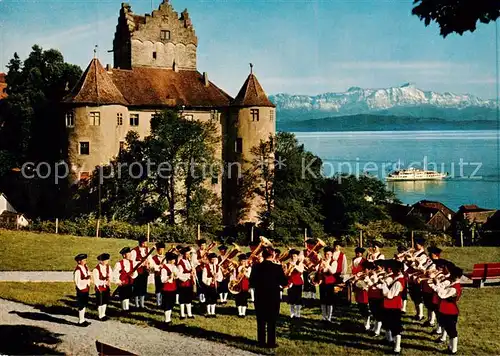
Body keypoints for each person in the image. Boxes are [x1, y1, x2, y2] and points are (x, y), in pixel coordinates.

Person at [249, 246, 288, 348]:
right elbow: (284, 282)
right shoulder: (277, 267)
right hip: (273, 296)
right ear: (273, 254)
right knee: (272, 320)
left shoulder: (256, 267)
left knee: (260, 320)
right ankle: (271, 342)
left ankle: (260, 342)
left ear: (263, 255)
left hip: (260, 296)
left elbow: (251, 283)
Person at [436, 266, 462, 355]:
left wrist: (437, 285)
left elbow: (441, 295)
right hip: (445, 310)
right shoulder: (453, 284)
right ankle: (450, 347)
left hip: (450, 311)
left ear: (456, 276)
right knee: (447, 328)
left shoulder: (454, 288)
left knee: (452, 330)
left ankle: (453, 349)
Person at [380, 260, 405, 354]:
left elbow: (389, 295)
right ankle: (388, 339)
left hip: (394, 306)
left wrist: (383, 285)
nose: (390, 270)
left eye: (393, 269)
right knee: (387, 323)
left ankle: (397, 347)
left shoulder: (399, 281)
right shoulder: (394, 277)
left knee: (395, 326)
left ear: (398, 270)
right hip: (388, 305)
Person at [113, 247, 137, 311]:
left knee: (128, 296)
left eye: (130, 254)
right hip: (123, 283)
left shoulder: (132, 263)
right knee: (124, 297)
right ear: (124, 255)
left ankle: (126, 308)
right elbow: (115, 274)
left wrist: (133, 275)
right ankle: (124, 309)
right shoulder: (119, 264)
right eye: (128, 254)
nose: (130, 255)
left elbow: (135, 273)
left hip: (129, 283)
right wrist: (118, 281)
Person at [130, 237, 151, 309]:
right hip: (137, 272)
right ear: (140, 242)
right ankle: (136, 304)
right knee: (136, 288)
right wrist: (140, 263)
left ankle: (142, 304)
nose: (145, 244)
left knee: (143, 288)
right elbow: (131, 262)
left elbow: (150, 259)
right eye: (144, 242)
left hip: (145, 272)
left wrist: (148, 264)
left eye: (146, 242)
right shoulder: (134, 251)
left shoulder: (147, 250)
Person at [202, 252, 223, 317]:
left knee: (214, 299)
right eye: (212, 259)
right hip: (208, 286)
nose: (214, 261)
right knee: (208, 299)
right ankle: (208, 312)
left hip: (215, 285)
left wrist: (217, 277)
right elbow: (204, 278)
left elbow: (221, 276)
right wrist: (211, 279)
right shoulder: (206, 267)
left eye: (215, 259)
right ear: (210, 259)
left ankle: (213, 312)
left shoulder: (217, 267)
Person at [318, 246, 336, 322]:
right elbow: (318, 271)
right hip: (322, 283)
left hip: (330, 283)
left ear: (331, 254)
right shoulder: (322, 261)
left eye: (329, 254)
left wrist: (327, 265)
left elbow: (333, 271)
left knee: (329, 301)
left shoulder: (334, 261)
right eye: (326, 254)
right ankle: (324, 316)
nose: (327, 256)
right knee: (323, 300)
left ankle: (329, 317)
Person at [285, 249, 304, 319]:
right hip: (290, 283)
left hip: (298, 283)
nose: (293, 257)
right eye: (292, 256)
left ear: (297, 256)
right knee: (291, 299)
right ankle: (292, 313)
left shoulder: (300, 263)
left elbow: (301, 270)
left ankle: (298, 313)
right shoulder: (287, 263)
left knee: (298, 299)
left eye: (295, 256)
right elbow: (286, 274)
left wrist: (294, 266)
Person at [177, 247, 195, 319]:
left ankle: (189, 313)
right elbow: (179, 275)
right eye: (186, 254)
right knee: (182, 299)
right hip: (183, 283)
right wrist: (188, 275)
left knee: (188, 298)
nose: (188, 256)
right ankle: (182, 314)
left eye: (189, 254)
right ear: (183, 255)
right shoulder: (180, 263)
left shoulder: (189, 262)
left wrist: (193, 272)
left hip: (189, 283)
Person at [161, 252, 178, 324]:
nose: (174, 261)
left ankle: (169, 318)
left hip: (173, 287)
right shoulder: (164, 268)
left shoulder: (174, 267)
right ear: (169, 260)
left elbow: (177, 275)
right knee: (167, 304)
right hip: (166, 288)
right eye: (173, 259)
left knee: (171, 303)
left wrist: (175, 275)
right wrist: (169, 277)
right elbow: (162, 279)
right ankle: (166, 319)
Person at [74, 253, 91, 326]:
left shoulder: (85, 267)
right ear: (79, 261)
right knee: (81, 305)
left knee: (84, 304)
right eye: (83, 260)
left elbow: (88, 274)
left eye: (85, 259)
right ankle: (80, 320)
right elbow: (77, 282)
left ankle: (83, 319)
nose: (85, 261)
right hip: (81, 289)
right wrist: (83, 284)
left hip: (86, 288)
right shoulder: (78, 270)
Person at [93, 253, 111, 321]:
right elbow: (96, 281)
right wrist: (104, 282)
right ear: (101, 261)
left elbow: (110, 274)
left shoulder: (108, 267)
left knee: (105, 301)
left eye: (107, 260)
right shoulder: (96, 270)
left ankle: (103, 314)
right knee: (100, 302)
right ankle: (100, 315)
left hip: (106, 287)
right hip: (99, 288)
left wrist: (109, 280)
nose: (107, 262)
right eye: (105, 260)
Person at [233, 253, 251, 318]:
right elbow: (234, 276)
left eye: (245, 261)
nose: (243, 262)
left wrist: (245, 272)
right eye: (242, 261)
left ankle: (243, 313)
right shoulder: (237, 268)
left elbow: (249, 276)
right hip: (238, 285)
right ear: (240, 261)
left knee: (244, 299)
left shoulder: (248, 268)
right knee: (239, 299)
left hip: (245, 285)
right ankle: (239, 312)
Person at [151, 242, 166, 307]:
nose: (161, 251)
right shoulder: (154, 258)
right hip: (157, 275)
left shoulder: (166, 257)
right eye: (160, 249)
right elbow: (153, 266)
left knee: (164, 288)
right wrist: (158, 266)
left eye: (163, 249)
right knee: (158, 288)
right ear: (157, 250)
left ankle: (163, 301)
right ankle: (158, 302)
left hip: (165, 275)